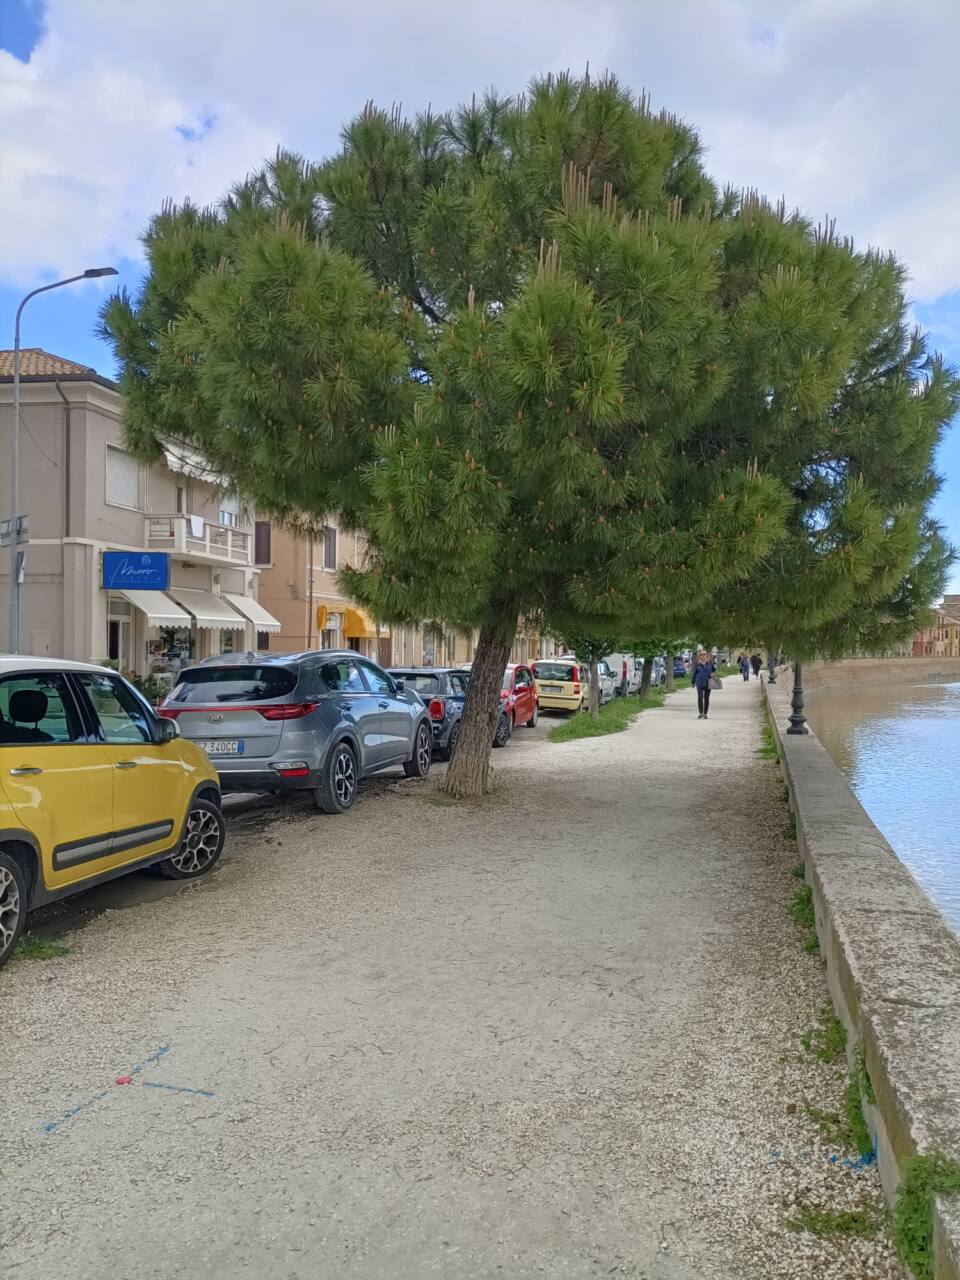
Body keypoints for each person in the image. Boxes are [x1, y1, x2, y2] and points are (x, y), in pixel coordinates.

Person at [691, 649, 716, 719]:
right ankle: (701, 713)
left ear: (706, 655)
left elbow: (714, 670)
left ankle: (705, 713)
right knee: (700, 697)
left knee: (706, 698)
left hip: (708, 682)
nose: (703, 655)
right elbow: (694, 674)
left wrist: (713, 674)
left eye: (704, 654)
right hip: (699, 682)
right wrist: (693, 682)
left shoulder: (710, 663)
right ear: (699, 656)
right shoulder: (697, 664)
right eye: (701, 654)